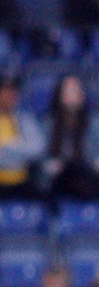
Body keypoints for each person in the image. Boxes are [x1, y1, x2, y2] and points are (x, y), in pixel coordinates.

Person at [41, 74, 99, 204]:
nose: (72, 95)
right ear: (59, 95)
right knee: (70, 168)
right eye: (68, 91)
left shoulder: (96, 122)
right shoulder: (49, 124)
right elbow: (41, 157)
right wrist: (51, 166)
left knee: (80, 167)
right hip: (60, 179)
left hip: (88, 177)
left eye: (76, 91)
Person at [0, 72, 44, 200]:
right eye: (5, 91)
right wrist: (20, 150)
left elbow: (38, 149)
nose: (10, 96)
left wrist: (8, 147)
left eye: (14, 92)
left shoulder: (25, 119)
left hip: (22, 179)